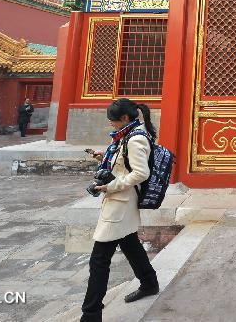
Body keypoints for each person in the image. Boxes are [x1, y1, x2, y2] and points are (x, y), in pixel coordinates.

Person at [81, 98, 159, 322]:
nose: (111, 125)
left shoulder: (135, 139)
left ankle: (90, 314)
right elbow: (124, 163)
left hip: (120, 204)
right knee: (130, 244)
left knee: (99, 259)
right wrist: (102, 157)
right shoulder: (127, 135)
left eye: (113, 121)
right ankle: (149, 283)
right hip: (119, 202)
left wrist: (110, 185)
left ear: (125, 118)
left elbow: (140, 173)